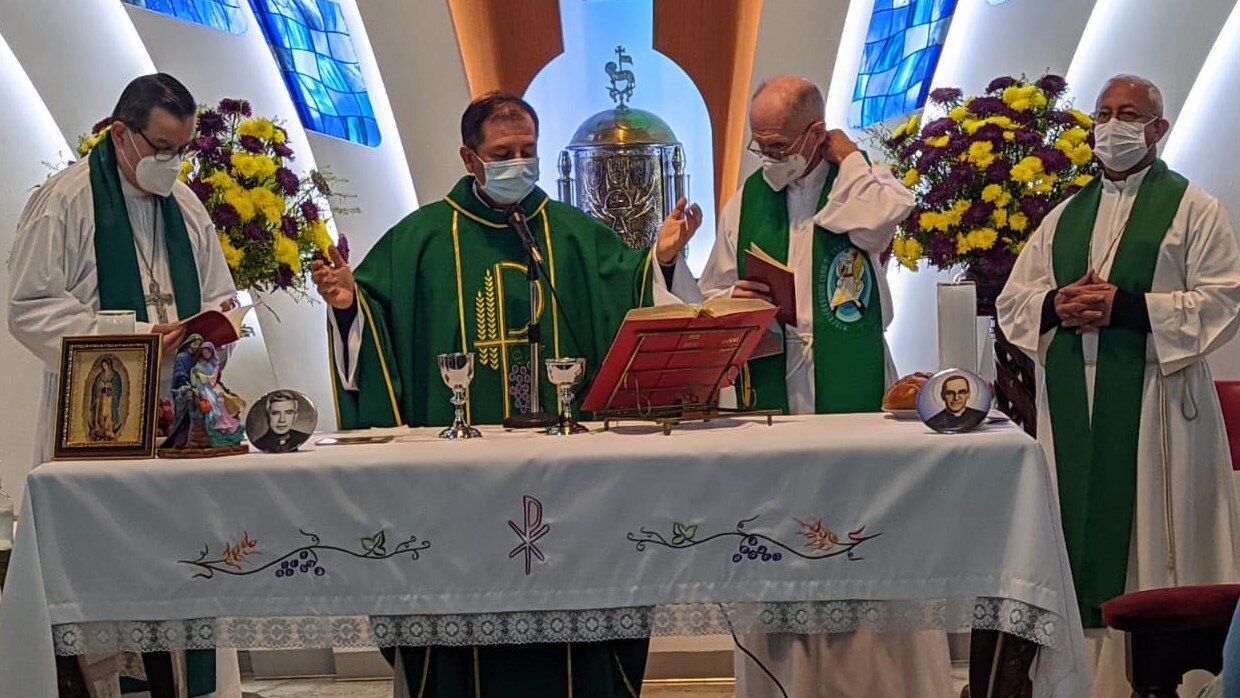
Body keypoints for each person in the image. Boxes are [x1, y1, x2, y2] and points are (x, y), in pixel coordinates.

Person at [311, 92, 702, 696]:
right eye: (502, 153)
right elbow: (375, 315)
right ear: (469, 157)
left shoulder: (568, 232)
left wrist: (660, 258)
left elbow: (623, 285)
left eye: (527, 151)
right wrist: (347, 305)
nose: (518, 162)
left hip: (564, 480)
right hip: (455, 484)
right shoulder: (421, 239)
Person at [694, 75, 953, 697]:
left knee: (864, 539)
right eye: (759, 145)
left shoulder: (864, 185)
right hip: (776, 391)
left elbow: (881, 218)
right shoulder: (747, 199)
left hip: (851, 389)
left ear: (816, 133)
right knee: (784, 538)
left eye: (780, 144)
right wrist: (740, 299)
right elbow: (712, 293)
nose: (769, 158)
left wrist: (850, 158)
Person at [996, 74, 1240, 698]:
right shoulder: (1062, 218)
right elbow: (1013, 302)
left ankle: (1178, 676)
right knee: (1083, 534)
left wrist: (1129, 308)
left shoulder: (1195, 210)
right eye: (1103, 113)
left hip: (1160, 410)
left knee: (1154, 536)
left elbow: (1225, 298)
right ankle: (1084, 682)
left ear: (1158, 128)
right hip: (1077, 403)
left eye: (1128, 114)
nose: (1112, 125)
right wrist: (1058, 303)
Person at [6, 73, 239, 697]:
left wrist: (209, 327)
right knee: (105, 585)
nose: (172, 163)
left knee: (184, 571)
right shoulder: (65, 201)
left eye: (182, 149)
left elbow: (219, 293)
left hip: (179, 423)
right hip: (97, 420)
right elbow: (28, 308)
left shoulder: (184, 205)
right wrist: (134, 338)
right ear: (120, 132)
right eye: (162, 147)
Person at [89, 357, 124, 441]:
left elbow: (117, 387)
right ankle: (100, 429)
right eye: (103, 365)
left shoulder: (115, 376)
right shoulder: (100, 376)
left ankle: (108, 429)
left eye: (105, 365)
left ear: (109, 365)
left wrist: (110, 385)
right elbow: (95, 387)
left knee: (108, 414)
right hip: (101, 397)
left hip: (110, 399)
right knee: (100, 413)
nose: (104, 366)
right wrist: (99, 386)